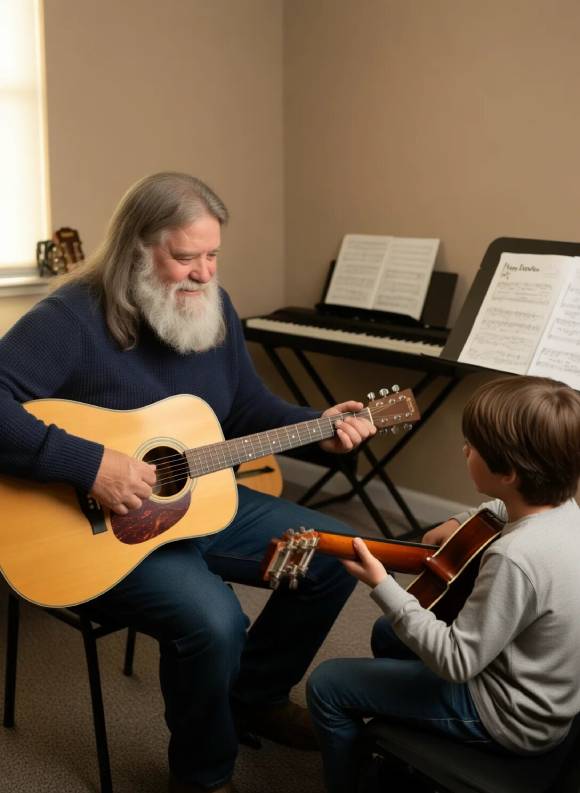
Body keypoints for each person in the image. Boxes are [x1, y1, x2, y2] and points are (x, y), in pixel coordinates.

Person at [0, 172, 377, 793]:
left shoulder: (214, 306)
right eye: (185, 257)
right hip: (99, 535)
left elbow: (248, 406)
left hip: (205, 503)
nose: (205, 272)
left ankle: (255, 696)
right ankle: (203, 776)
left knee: (333, 555)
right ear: (135, 250)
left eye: (212, 254)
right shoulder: (68, 318)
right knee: (213, 620)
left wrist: (319, 426)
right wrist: (89, 465)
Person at [307, 375, 580, 793]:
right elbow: (501, 508)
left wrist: (383, 585)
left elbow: (457, 662)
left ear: (507, 472)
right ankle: (405, 744)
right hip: (545, 691)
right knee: (389, 635)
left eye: (474, 448)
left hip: (507, 716)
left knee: (327, 684)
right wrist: (461, 521)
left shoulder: (514, 558)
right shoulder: (564, 509)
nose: (465, 450)